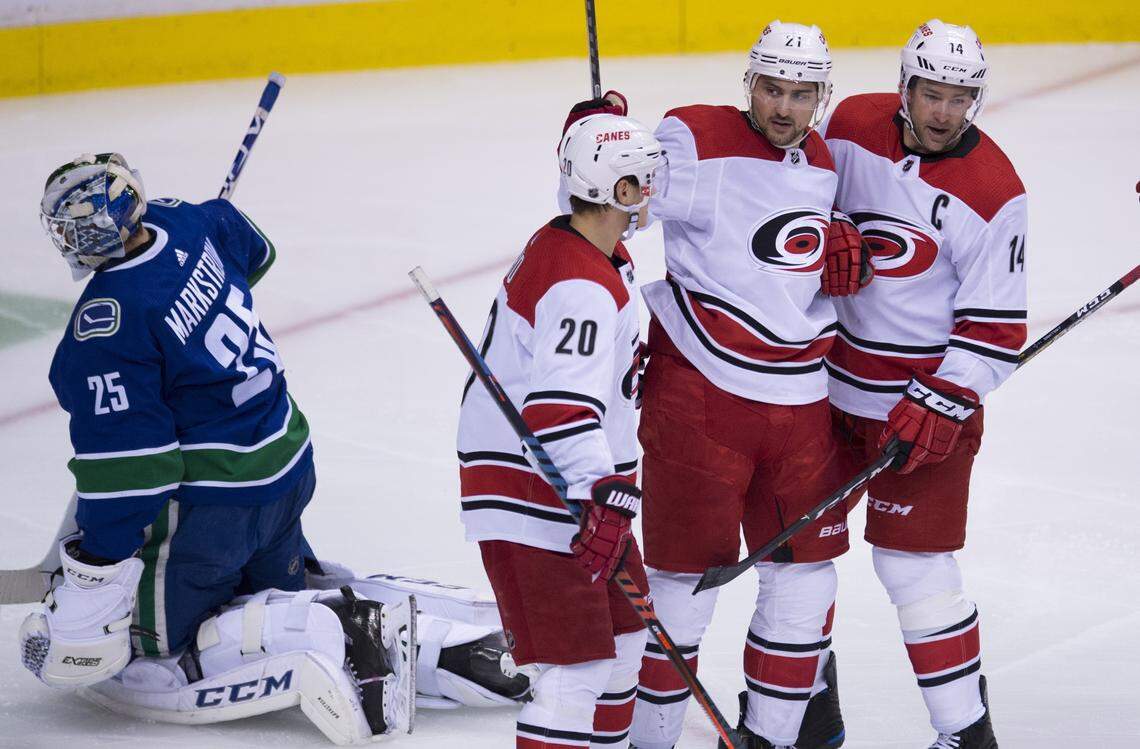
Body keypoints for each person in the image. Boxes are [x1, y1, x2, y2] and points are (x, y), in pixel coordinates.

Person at [22, 153, 528, 743]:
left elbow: (132, 471)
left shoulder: (107, 325)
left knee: (151, 659)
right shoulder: (189, 220)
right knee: (261, 592)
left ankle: (337, 627)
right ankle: (449, 646)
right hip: (284, 464)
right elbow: (255, 252)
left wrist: (100, 570)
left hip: (215, 507)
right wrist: (197, 276)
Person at [566, 20, 872, 749]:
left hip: (800, 409)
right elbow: (616, 205)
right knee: (679, 592)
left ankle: (768, 739)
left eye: (802, 94)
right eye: (772, 88)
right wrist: (590, 147)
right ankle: (651, 742)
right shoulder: (695, 139)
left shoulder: (827, 161)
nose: (785, 108)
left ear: (821, 96)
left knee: (806, 587)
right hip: (703, 403)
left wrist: (848, 252)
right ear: (750, 83)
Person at [821, 19, 1027, 748]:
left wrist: (941, 397)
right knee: (799, 560)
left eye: (959, 98)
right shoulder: (847, 124)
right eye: (930, 93)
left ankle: (965, 733)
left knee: (913, 567)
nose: (943, 112)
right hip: (821, 390)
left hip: (923, 408)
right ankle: (804, 714)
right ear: (904, 83)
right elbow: (780, 180)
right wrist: (824, 225)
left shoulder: (996, 190)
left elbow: (997, 333)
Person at [456, 113, 663, 749]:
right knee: (577, 673)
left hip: (572, 486)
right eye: (639, 182)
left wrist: (597, 126)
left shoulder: (581, 244)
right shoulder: (581, 286)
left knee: (627, 644)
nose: (651, 192)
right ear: (617, 191)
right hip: (543, 494)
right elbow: (559, 408)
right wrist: (600, 489)